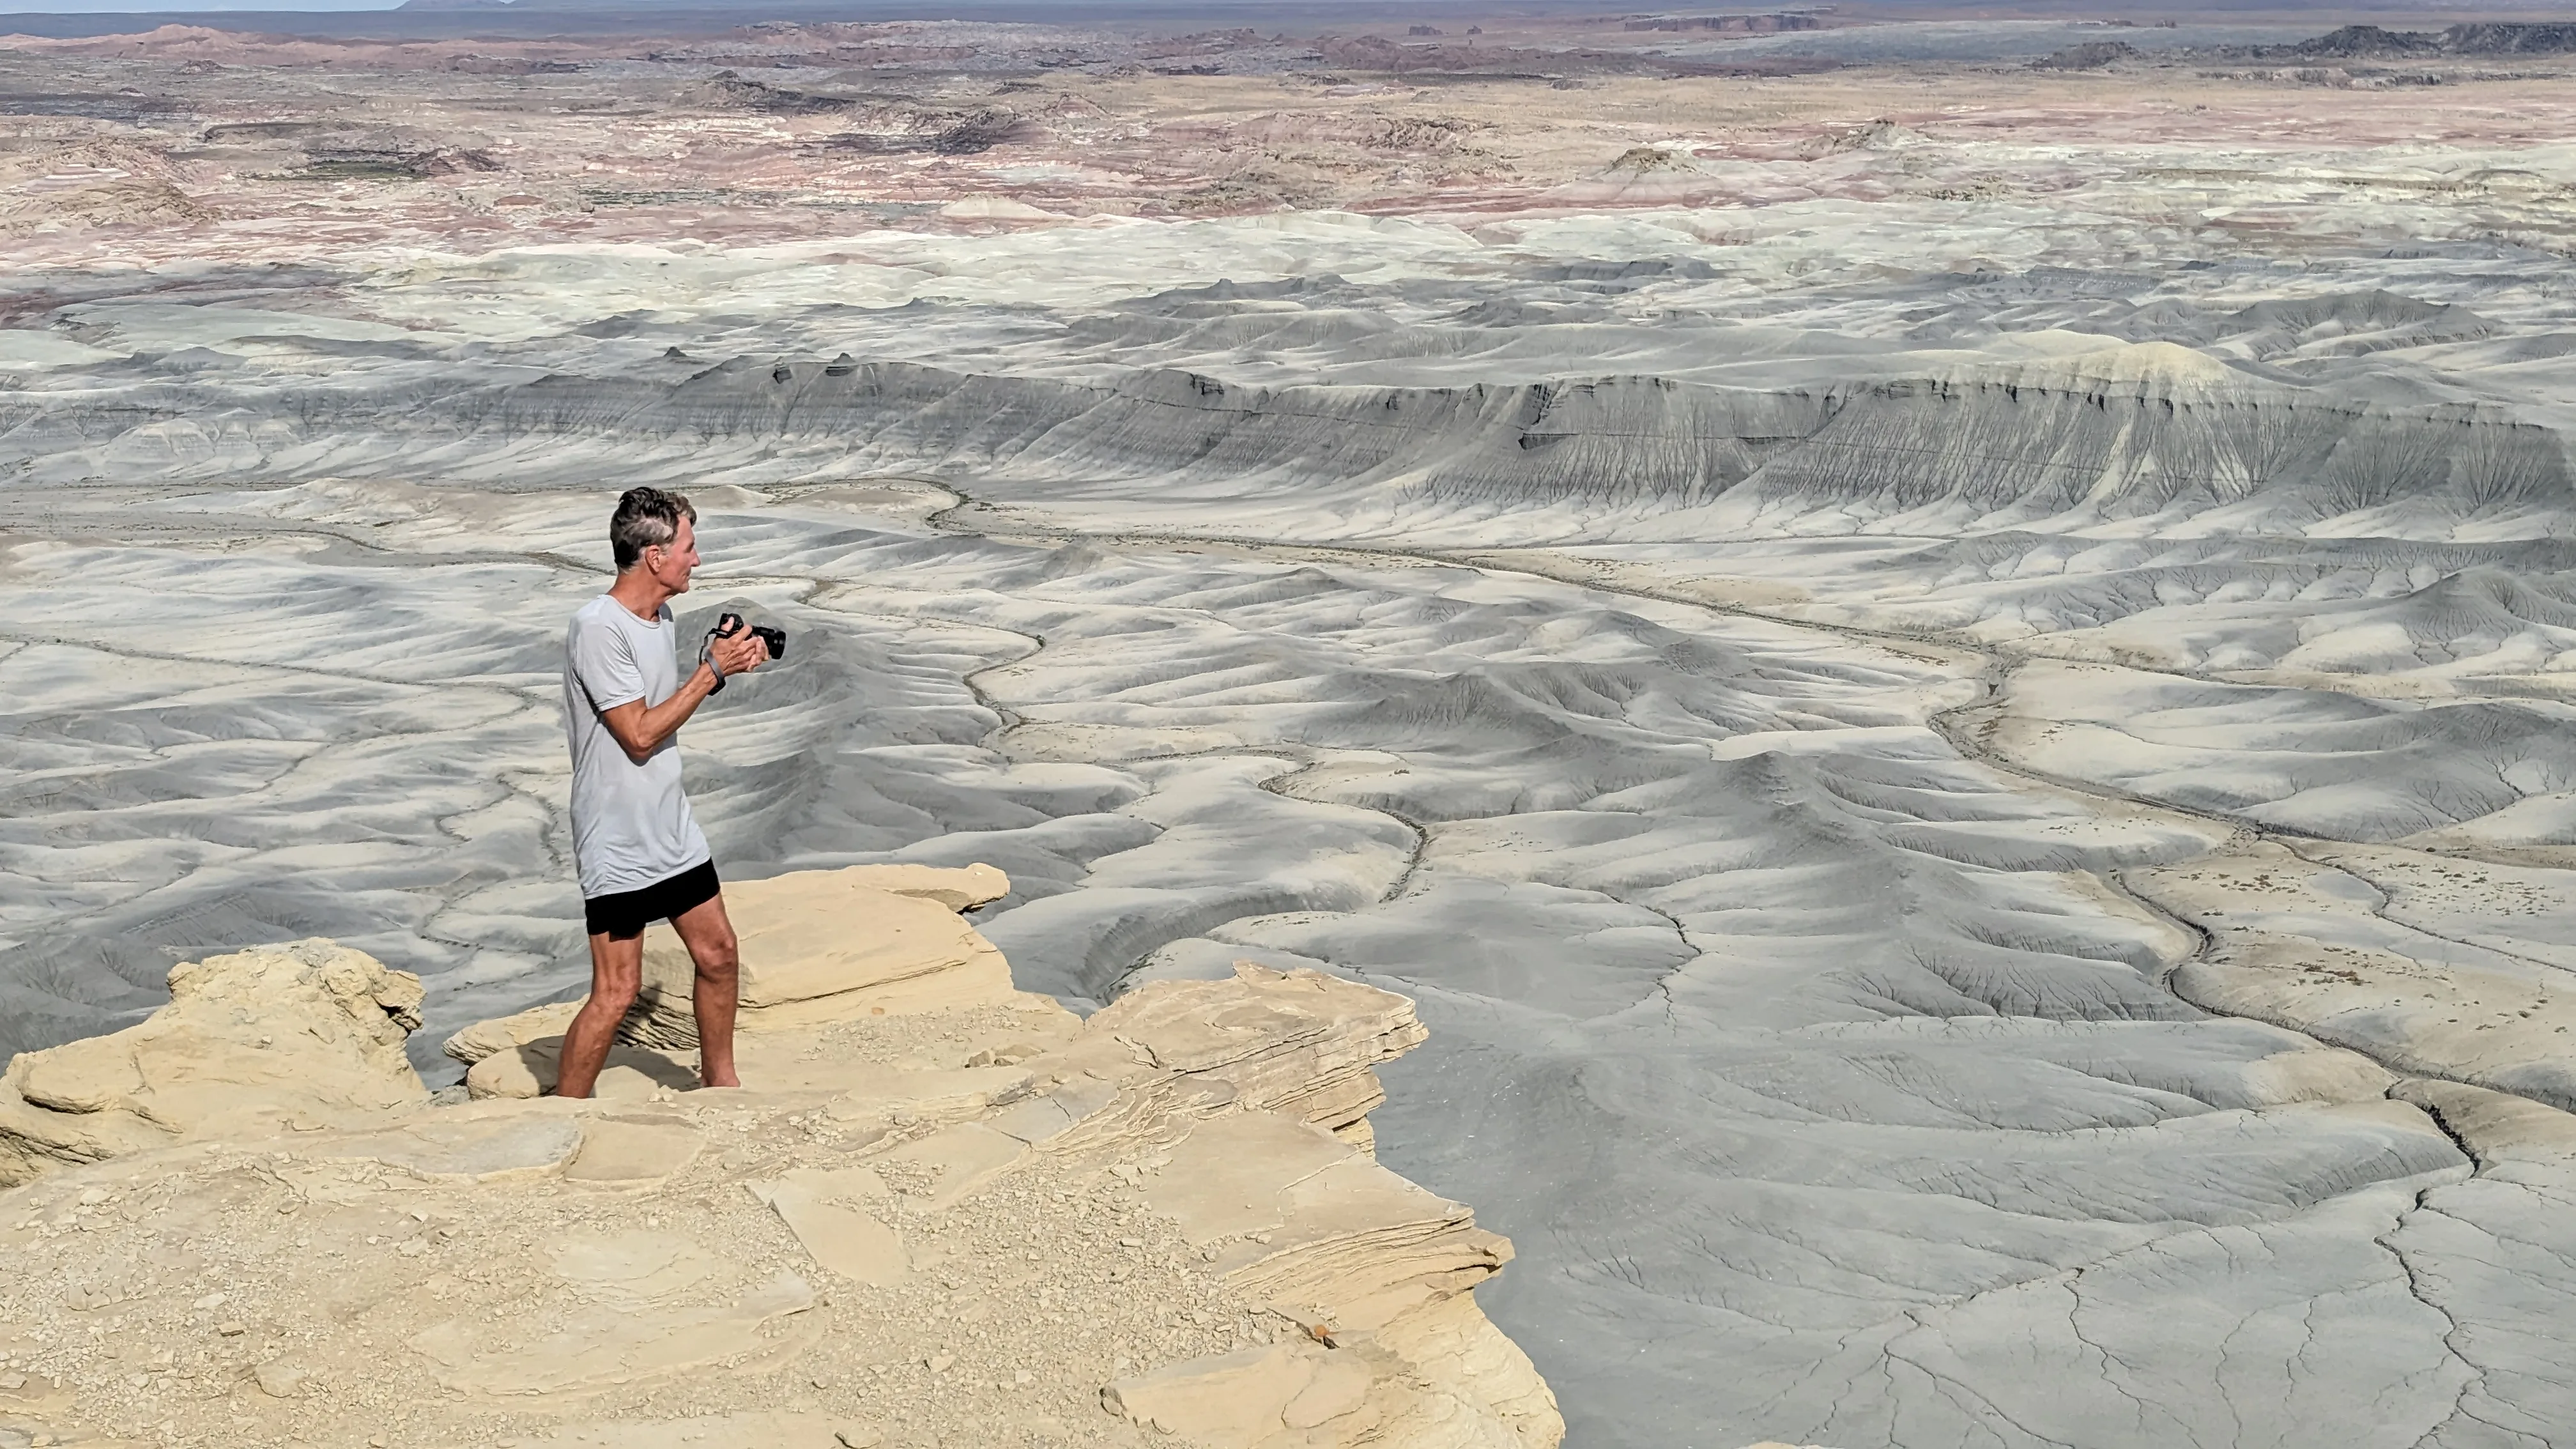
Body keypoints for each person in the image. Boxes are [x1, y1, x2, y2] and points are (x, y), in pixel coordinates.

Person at [552, 486, 769, 1098]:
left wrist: (719, 668)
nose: (695, 561)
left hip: (670, 825)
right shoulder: (598, 628)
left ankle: (721, 1086)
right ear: (654, 557)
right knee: (618, 991)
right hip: (617, 836)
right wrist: (712, 672)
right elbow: (640, 734)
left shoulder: (659, 618)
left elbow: (659, 711)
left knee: (720, 954)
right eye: (688, 547)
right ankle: (561, 1113)